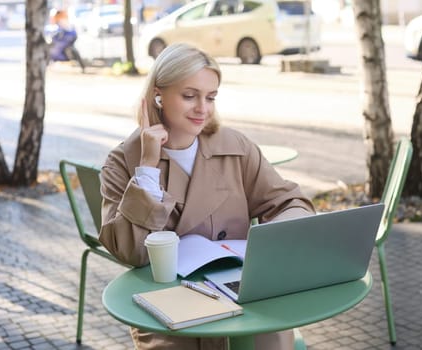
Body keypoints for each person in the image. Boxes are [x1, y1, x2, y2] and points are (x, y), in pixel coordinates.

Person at [98, 43, 315, 350]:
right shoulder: (123, 161)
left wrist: (277, 238)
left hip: (243, 295)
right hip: (169, 306)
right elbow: (130, 252)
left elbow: (289, 201)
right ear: (158, 95)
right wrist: (147, 167)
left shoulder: (235, 146)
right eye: (190, 96)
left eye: (211, 97)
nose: (203, 108)